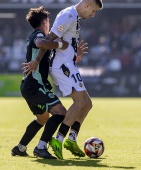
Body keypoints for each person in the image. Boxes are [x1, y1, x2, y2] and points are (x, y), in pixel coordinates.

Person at [23, 0, 103, 160]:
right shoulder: (67, 15)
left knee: (87, 104)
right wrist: (37, 61)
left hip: (68, 64)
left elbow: (66, 42)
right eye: (93, 11)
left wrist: (74, 53)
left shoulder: (75, 17)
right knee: (80, 103)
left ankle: (71, 139)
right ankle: (58, 140)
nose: (93, 15)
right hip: (62, 66)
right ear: (87, 4)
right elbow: (50, 38)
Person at [11, 6, 69, 159]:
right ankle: (41, 147)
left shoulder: (35, 35)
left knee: (42, 119)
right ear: (45, 22)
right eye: (49, 21)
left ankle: (20, 147)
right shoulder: (38, 35)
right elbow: (40, 43)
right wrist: (61, 44)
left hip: (29, 86)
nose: (49, 25)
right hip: (34, 86)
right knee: (61, 112)